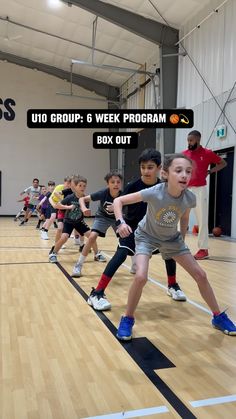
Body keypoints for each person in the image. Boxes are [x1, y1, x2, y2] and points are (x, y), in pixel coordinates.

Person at [113, 153, 236, 340]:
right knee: (140, 277)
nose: (184, 175)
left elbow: (184, 218)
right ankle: (127, 319)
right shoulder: (154, 192)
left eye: (188, 171)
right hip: (146, 237)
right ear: (165, 173)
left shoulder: (190, 198)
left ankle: (218, 316)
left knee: (201, 275)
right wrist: (121, 222)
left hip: (172, 240)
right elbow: (118, 201)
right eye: (178, 171)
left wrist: (183, 241)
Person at [87, 149, 186, 311]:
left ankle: (172, 285)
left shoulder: (164, 187)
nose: (146, 171)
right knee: (119, 256)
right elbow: (119, 203)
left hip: (156, 230)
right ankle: (97, 293)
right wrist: (120, 222)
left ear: (159, 168)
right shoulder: (132, 186)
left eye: (150, 167)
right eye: (143, 167)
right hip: (132, 229)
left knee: (169, 254)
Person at [183, 130, 227, 260]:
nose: (189, 143)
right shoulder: (184, 154)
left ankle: (203, 249)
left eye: (191, 140)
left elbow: (223, 163)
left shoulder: (207, 153)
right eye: (188, 140)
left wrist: (210, 171)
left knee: (202, 220)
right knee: (181, 218)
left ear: (197, 139)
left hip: (200, 190)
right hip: (185, 189)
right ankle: (178, 245)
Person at [71, 171, 123, 278]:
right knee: (92, 236)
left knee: (126, 237)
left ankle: (135, 265)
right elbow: (82, 199)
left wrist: (117, 207)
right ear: (107, 184)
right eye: (112, 182)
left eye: (118, 182)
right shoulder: (103, 193)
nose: (116, 184)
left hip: (117, 217)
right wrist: (84, 207)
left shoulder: (123, 194)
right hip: (102, 217)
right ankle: (78, 265)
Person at [48, 175, 98, 263]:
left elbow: (84, 211)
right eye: (80, 185)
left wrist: (86, 212)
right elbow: (58, 205)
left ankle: (97, 254)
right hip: (68, 221)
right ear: (75, 186)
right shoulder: (70, 197)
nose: (82, 188)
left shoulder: (86, 199)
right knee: (64, 237)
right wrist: (68, 207)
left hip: (79, 221)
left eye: (84, 186)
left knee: (92, 236)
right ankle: (53, 253)